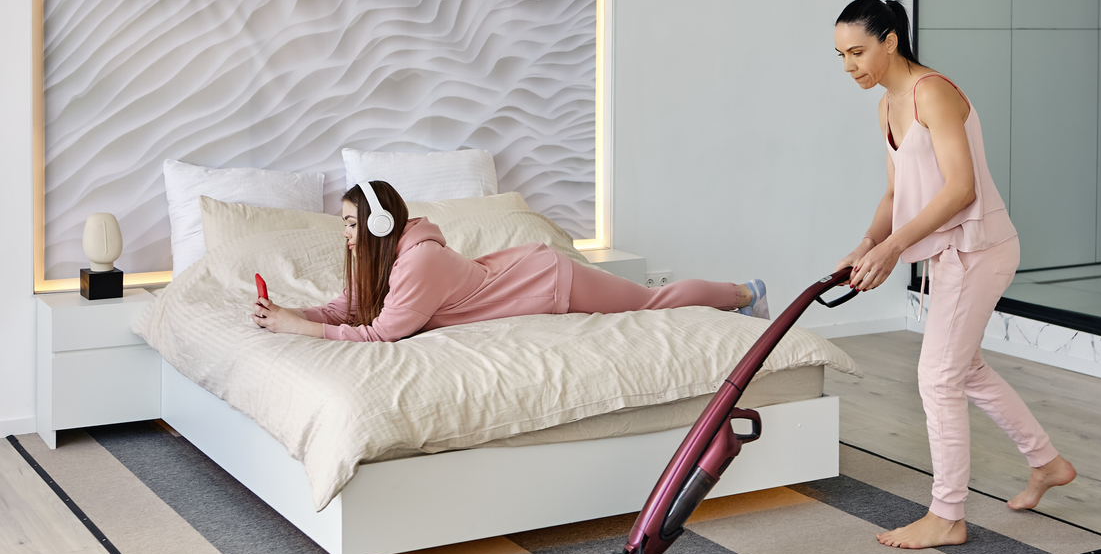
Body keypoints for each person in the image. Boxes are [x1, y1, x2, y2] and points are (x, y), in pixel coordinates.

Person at [832, 0, 1076, 549]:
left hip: (979, 248)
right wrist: (868, 243)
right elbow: (896, 193)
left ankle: (947, 515)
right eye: (841, 55)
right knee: (962, 370)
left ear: (891, 40)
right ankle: (1047, 464)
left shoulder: (933, 93)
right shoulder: (887, 104)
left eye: (858, 51)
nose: (849, 65)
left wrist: (893, 249)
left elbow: (961, 188)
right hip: (948, 252)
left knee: (938, 377)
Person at [251, 180, 770, 342]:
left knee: (653, 302)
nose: (343, 233)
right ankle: (742, 295)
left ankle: (746, 294)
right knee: (651, 303)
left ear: (378, 226)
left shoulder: (418, 262)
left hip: (547, 281)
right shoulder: (389, 257)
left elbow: (381, 332)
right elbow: (352, 306)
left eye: (348, 222)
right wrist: (293, 315)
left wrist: (303, 331)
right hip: (524, 277)